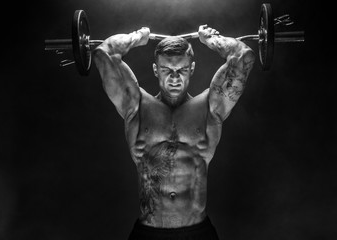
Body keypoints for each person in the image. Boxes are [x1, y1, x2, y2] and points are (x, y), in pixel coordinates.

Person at [92, 24, 255, 240]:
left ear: (192, 69)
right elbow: (104, 54)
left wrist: (211, 40)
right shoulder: (136, 106)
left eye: (182, 70)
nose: (175, 77)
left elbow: (244, 56)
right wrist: (138, 37)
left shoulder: (209, 108)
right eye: (167, 70)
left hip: (197, 233)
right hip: (148, 233)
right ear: (155, 70)